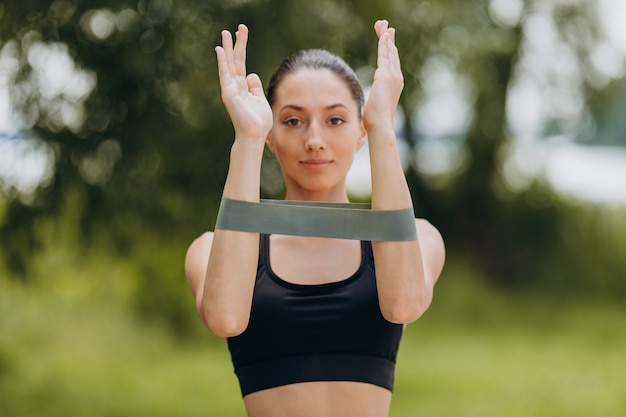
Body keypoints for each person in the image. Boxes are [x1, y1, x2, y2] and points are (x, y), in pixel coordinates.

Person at [185, 20, 445, 417]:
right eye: (292, 120)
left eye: (336, 119)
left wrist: (383, 129)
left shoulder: (419, 239)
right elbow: (225, 318)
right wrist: (249, 138)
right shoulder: (212, 249)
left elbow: (404, 305)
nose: (315, 140)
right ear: (272, 132)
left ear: (360, 130)